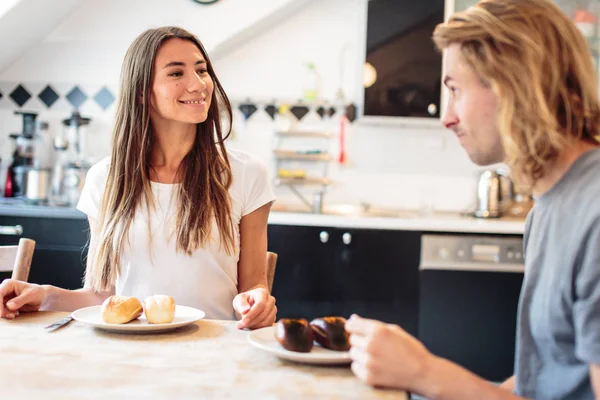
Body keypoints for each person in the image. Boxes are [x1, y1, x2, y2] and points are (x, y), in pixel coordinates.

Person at [346, 0, 600, 398]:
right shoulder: (546, 210)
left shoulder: (595, 215)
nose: (447, 117)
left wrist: (424, 372)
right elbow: (546, 384)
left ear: (513, 83)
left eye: (455, 90)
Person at [0, 26, 277, 330]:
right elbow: (102, 296)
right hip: (129, 351)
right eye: (176, 73)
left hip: (214, 352)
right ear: (142, 92)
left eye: (201, 70)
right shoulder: (104, 179)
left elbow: (253, 285)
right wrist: (43, 295)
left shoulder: (247, 174)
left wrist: (255, 301)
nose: (198, 84)